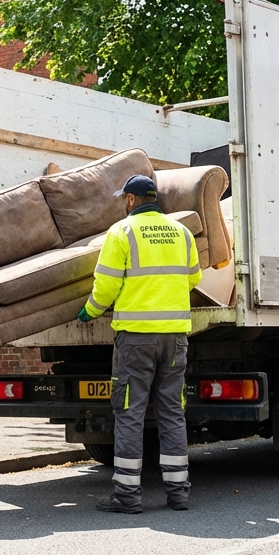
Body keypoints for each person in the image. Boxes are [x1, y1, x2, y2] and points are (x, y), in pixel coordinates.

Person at [79, 174, 202, 513]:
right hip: (175, 338)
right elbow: (194, 277)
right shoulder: (181, 232)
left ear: (131, 200)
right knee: (172, 411)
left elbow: (105, 286)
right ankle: (179, 492)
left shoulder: (121, 233)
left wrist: (90, 311)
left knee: (131, 413)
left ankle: (127, 495)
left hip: (136, 339)